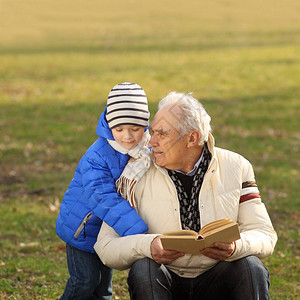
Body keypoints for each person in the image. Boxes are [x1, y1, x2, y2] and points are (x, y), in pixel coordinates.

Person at [94, 91, 278, 300]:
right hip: (164, 280)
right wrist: (149, 246)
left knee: (250, 266)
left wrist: (236, 247)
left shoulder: (236, 166)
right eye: (152, 131)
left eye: (162, 134)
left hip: (218, 280)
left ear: (192, 138)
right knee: (144, 268)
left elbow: (264, 234)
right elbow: (106, 245)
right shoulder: (134, 173)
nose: (151, 141)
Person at [56, 82, 151, 300]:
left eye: (135, 129)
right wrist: (138, 231)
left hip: (108, 231)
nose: (127, 136)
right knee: (85, 281)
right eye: (119, 129)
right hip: (84, 229)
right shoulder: (97, 156)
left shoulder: (145, 150)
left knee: (103, 289)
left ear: (145, 124)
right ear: (109, 125)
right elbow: (103, 198)